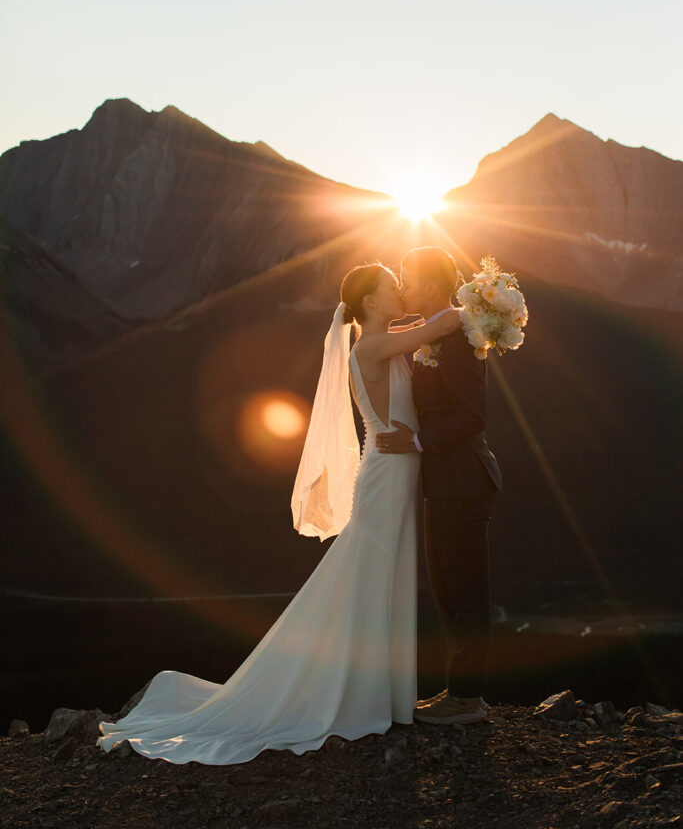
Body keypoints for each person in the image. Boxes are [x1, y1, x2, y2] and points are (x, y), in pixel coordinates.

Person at [96, 262, 460, 765]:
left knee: (382, 575)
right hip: (384, 476)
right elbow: (441, 325)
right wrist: (490, 304)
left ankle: (382, 693)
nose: (400, 290)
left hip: (395, 472)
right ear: (371, 302)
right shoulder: (372, 346)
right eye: (390, 287)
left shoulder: (383, 338)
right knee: (368, 575)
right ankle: (351, 694)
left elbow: (425, 328)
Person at [376, 247, 502, 726]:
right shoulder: (439, 331)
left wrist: (417, 440)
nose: (404, 287)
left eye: (408, 279)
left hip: (465, 481)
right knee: (447, 590)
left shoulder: (458, 339)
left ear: (431, 286)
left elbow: (473, 415)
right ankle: (458, 691)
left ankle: (468, 699)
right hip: (443, 483)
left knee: (466, 592)